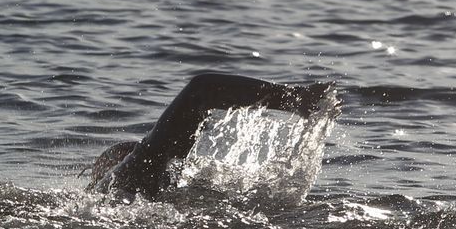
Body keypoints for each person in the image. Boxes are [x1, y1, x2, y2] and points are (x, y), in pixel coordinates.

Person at [87, 72, 340, 200]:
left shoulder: (157, 188)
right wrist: (294, 99)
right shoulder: (129, 173)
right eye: (127, 153)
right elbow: (202, 89)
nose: (132, 151)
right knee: (199, 87)